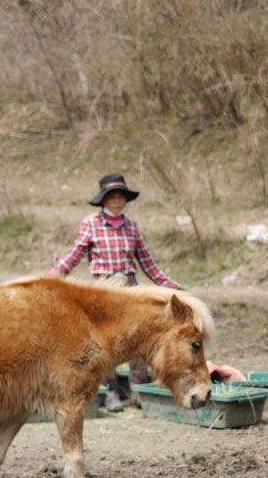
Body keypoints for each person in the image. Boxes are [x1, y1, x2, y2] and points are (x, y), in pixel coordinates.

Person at [50, 173, 182, 410]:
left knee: (140, 340)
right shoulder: (91, 224)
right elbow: (75, 254)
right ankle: (110, 392)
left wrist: (172, 286)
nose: (117, 201)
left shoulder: (132, 227)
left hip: (131, 290)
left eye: (121, 197)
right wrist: (55, 275)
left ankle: (138, 392)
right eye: (112, 197)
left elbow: (148, 263)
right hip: (103, 291)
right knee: (106, 344)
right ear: (103, 200)